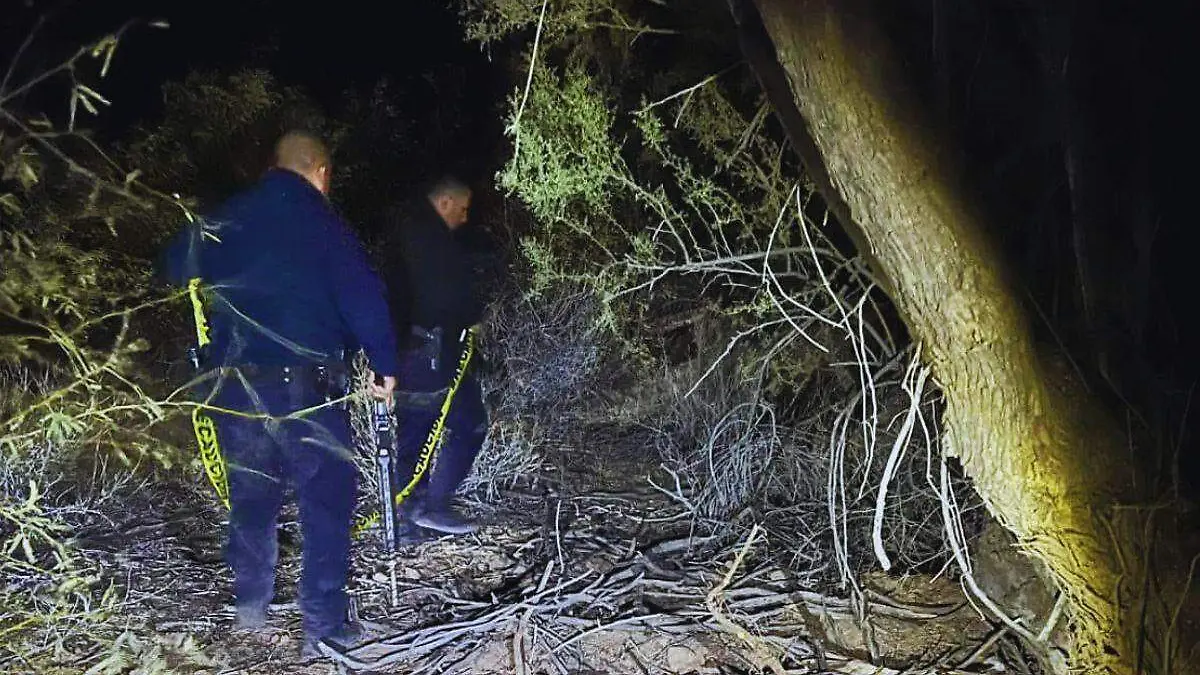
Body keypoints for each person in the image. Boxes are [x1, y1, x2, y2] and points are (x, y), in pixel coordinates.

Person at [160, 131, 398, 656]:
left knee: (251, 497)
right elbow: (364, 297)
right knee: (327, 501)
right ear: (320, 171)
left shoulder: (229, 216)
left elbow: (175, 264)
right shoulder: (324, 225)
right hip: (309, 390)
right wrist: (384, 365)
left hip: (237, 389)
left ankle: (251, 607)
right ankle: (323, 627)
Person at [377, 175, 489, 537]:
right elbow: (441, 296)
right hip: (428, 351)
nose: (465, 218)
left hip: (433, 349)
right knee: (426, 428)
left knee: (453, 425)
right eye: (463, 209)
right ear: (444, 203)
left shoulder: (420, 235)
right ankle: (417, 513)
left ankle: (424, 509)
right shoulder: (423, 236)